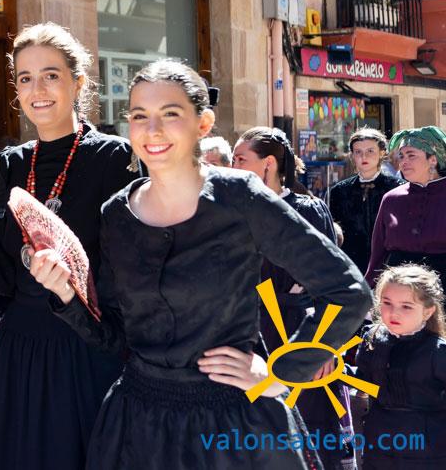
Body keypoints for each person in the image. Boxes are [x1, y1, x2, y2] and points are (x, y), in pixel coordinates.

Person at [29, 59, 370, 469]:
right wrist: (66, 292)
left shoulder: (239, 196)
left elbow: (347, 290)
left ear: (203, 124)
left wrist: (280, 372)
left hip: (233, 428)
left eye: (170, 114)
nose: (152, 130)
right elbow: (115, 337)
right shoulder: (115, 214)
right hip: (139, 430)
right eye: (139, 116)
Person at [0, 23, 136, 470]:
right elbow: (0, 278)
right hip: (20, 351)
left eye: (51, 75)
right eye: (24, 77)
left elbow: (129, 274)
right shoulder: (11, 162)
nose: (37, 89)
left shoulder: (114, 159)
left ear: (78, 82)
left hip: (84, 350)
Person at [232, 126, 351, 470]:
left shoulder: (309, 210)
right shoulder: (233, 210)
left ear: (268, 163)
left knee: (307, 424)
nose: (233, 165)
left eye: (241, 159)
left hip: (299, 332)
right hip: (248, 332)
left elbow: (334, 285)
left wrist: (327, 345)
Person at [354, 264, 446, 468]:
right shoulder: (373, 338)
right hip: (379, 444)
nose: (394, 313)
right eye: (387, 302)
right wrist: (336, 370)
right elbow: (364, 382)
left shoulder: (437, 351)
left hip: (426, 452)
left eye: (406, 306)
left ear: (428, 311)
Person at [366, 126, 446, 286]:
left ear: (433, 159)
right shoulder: (391, 199)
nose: (404, 162)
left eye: (411, 155)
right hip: (398, 290)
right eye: (401, 156)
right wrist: (366, 290)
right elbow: (378, 256)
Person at [327, 128, 403, 274]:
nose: (364, 157)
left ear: (382, 153)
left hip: (389, 266)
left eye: (370, 151)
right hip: (350, 268)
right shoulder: (339, 191)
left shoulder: (397, 188)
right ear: (352, 155)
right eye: (358, 152)